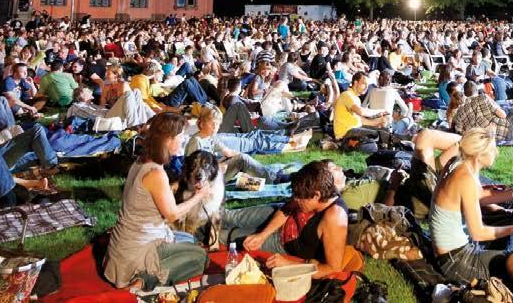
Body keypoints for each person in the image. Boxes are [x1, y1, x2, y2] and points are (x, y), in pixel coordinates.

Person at [104, 112, 213, 289]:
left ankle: (147, 272)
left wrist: (177, 185)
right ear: (168, 140)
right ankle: (143, 280)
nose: (183, 140)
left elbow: (151, 194)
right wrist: (199, 196)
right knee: (201, 257)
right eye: (180, 136)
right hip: (138, 248)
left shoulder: (141, 162)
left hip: (126, 242)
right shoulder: (156, 173)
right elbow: (172, 215)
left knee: (190, 240)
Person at [429, 128, 513, 285]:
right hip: (456, 261)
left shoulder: (459, 164)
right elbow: (478, 233)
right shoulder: (465, 178)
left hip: (453, 253)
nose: (496, 153)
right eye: (492, 149)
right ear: (479, 155)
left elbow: (476, 196)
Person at [230, 160, 359, 278]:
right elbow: (288, 207)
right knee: (233, 216)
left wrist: (288, 264)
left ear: (317, 195)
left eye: (299, 197)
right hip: (281, 218)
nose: (295, 200)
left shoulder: (334, 218)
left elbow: (333, 268)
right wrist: (263, 235)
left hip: (283, 244)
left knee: (233, 237)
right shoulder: (317, 186)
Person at [332, 71, 391, 142]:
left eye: (367, 85)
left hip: (354, 129)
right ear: (355, 83)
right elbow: (361, 111)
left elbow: (360, 120)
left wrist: (378, 122)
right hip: (345, 133)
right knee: (376, 134)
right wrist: (380, 111)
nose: (366, 87)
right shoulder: (347, 95)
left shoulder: (356, 98)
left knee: (385, 131)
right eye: (363, 84)